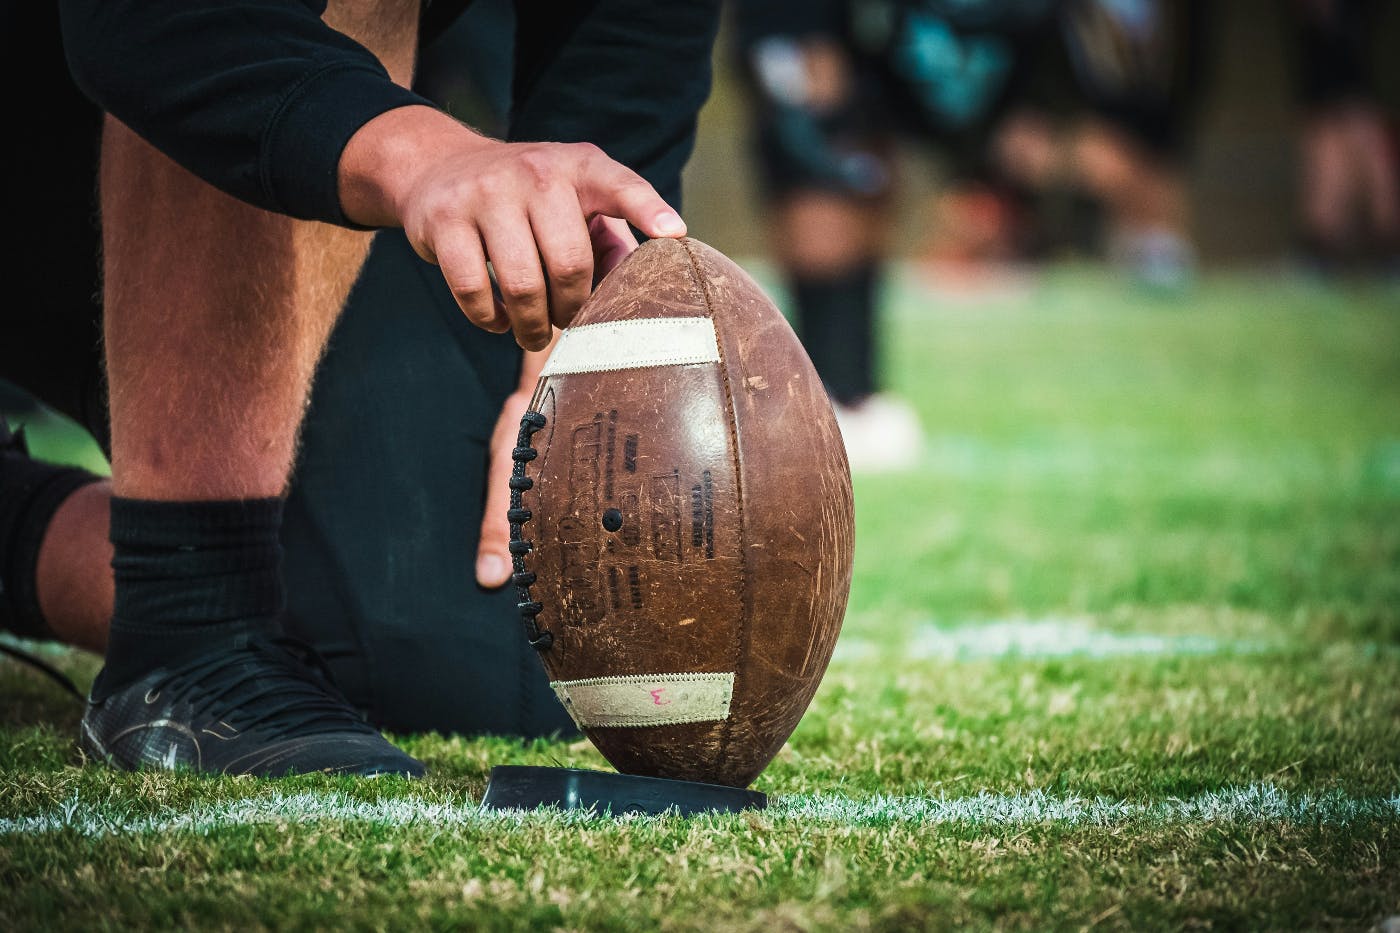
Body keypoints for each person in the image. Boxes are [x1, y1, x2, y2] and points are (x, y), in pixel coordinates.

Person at [0, 0, 721, 776]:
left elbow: (632, 23)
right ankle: (187, 628)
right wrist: (426, 156)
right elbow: (138, 25)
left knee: (472, 656)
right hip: (123, 76)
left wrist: (559, 357)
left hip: (267, 130)